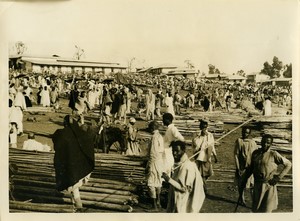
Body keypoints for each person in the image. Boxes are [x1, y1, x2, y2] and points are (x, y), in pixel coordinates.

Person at [52, 115, 95, 212]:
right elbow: (89, 140)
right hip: (79, 168)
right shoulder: (81, 135)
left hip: (66, 165)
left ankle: (77, 206)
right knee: (74, 186)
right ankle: (77, 206)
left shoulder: (60, 134)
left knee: (72, 185)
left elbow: (55, 140)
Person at [240, 134, 292, 213]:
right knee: (256, 210)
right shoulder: (256, 153)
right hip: (257, 185)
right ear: (261, 142)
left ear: (271, 144)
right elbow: (251, 168)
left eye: (268, 142)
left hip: (268, 186)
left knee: (266, 210)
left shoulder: (273, 154)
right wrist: (244, 179)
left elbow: (288, 164)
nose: (265, 144)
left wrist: (278, 178)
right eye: (264, 142)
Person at [162, 140, 205, 213]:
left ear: (183, 151)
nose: (174, 153)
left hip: (183, 203)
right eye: (173, 151)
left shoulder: (187, 167)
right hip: (177, 201)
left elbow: (184, 188)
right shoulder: (180, 164)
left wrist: (169, 180)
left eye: (177, 151)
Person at [192, 119, 218, 192]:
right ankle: (204, 187)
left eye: (205, 128)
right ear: (200, 128)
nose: (204, 129)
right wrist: (202, 138)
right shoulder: (196, 136)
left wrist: (215, 156)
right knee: (201, 174)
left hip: (207, 157)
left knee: (207, 174)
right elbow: (195, 146)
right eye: (203, 128)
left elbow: (212, 146)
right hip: (200, 157)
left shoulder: (210, 135)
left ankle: (203, 184)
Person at [234, 127, 257, 206]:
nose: (245, 134)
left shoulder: (252, 142)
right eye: (244, 132)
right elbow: (236, 155)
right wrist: (238, 168)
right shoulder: (239, 141)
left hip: (250, 166)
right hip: (242, 166)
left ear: (249, 133)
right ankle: (242, 199)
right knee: (241, 184)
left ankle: (254, 201)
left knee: (252, 184)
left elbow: (255, 155)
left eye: (247, 132)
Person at [146, 120, 165, 210]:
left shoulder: (154, 138)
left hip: (154, 161)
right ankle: (158, 201)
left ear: (153, 128)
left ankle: (154, 205)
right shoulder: (160, 137)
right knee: (158, 182)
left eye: (150, 128)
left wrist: (148, 164)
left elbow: (152, 153)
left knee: (151, 182)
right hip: (160, 161)